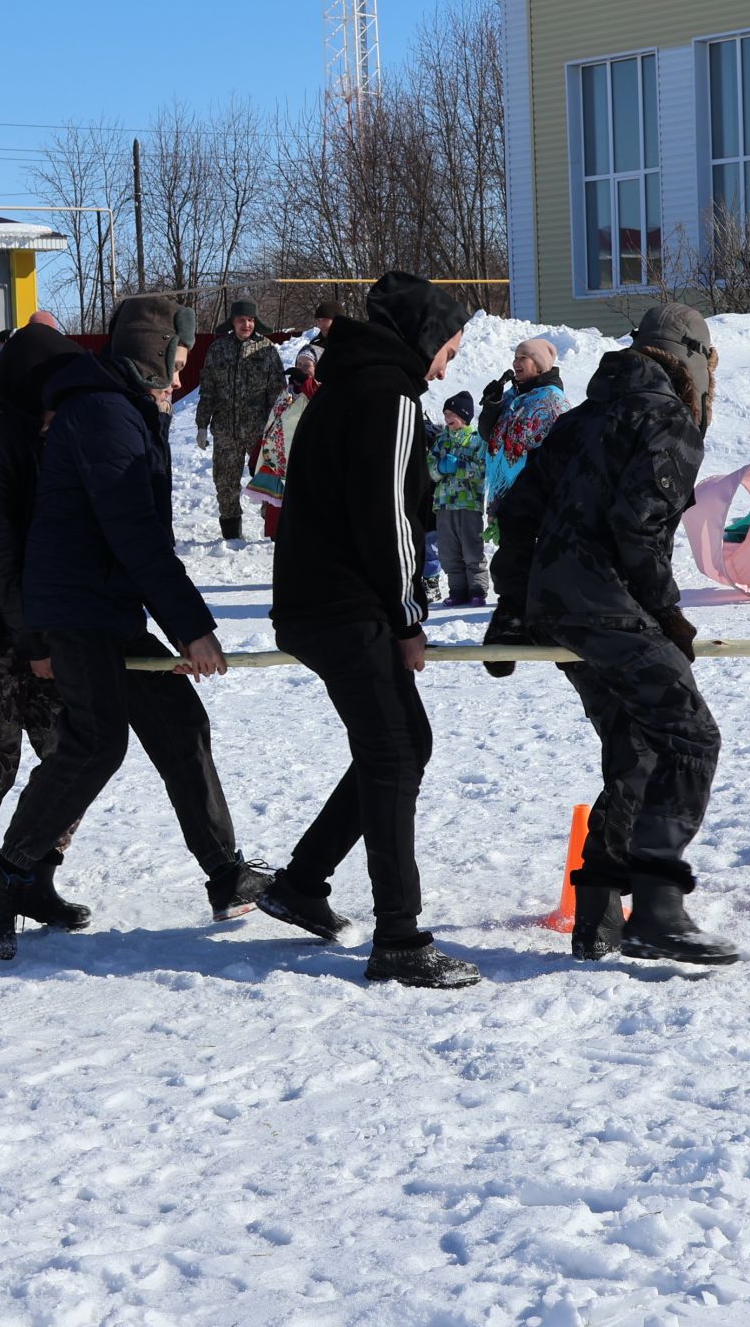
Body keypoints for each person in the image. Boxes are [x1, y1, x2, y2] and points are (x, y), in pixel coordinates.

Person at [0, 307, 234, 961]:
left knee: (179, 722)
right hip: (79, 612)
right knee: (95, 745)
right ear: (148, 361)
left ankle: (227, 872)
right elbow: (139, 537)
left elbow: (146, 528)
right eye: (173, 368)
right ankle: (2, 874)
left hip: (107, 609)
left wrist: (161, 422)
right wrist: (193, 629)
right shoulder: (105, 415)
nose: (179, 380)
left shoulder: (126, 412)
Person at [490, 302, 735, 967]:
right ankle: (657, 908)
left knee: (637, 746)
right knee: (689, 736)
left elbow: (516, 510)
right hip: (602, 599)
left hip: (555, 604)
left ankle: (597, 916)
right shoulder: (669, 421)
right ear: (690, 362)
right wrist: (667, 614)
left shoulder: (580, 419)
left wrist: (514, 603)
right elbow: (638, 528)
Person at [263, 271, 479, 990]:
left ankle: (301, 883)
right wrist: (407, 618)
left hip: (324, 599)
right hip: (339, 604)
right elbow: (388, 521)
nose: (448, 364)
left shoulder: (360, 385)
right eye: (447, 348)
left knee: (404, 742)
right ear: (420, 340)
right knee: (392, 753)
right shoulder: (386, 398)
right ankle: (399, 940)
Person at [195, 298, 283, 542]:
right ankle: (232, 537)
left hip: (259, 431)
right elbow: (208, 389)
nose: (247, 324)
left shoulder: (267, 350)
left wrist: (276, 428)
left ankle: (272, 532)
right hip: (225, 431)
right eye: (242, 320)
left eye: (251, 320)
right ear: (232, 322)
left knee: (268, 482)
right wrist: (202, 424)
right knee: (225, 484)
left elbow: (277, 393)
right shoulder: (218, 349)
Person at [479, 336, 568, 526]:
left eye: (523, 357)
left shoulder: (551, 400)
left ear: (539, 365)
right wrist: (492, 405)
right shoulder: (512, 396)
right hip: (507, 495)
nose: (515, 362)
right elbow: (488, 436)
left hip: (534, 497)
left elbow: (559, 453)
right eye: (515, 357)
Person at [244, 348, 319, 540]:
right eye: (299, 364)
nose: (302, 369)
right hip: (276, 463)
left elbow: (320, 404)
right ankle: (275, 538)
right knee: (275, 511)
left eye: (307, 365)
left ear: (316, 368)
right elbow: (272, 425)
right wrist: (256, 457)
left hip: (301, 463)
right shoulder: (285, 393)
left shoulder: (318, 391)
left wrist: (306, 383)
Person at [429, 391, 489, 607]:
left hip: (469, 504)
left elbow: (482, 471)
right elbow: (430, 470)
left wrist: (459, 467)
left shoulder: (476, 440)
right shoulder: (440, 440)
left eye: (451, 413)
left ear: (464, 415)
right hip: (444, 504)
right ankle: (458, 590)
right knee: (447, 551)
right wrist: (440, 468)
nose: (447, 418)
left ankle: (477, 589)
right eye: (445, 413)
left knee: (472, 549)